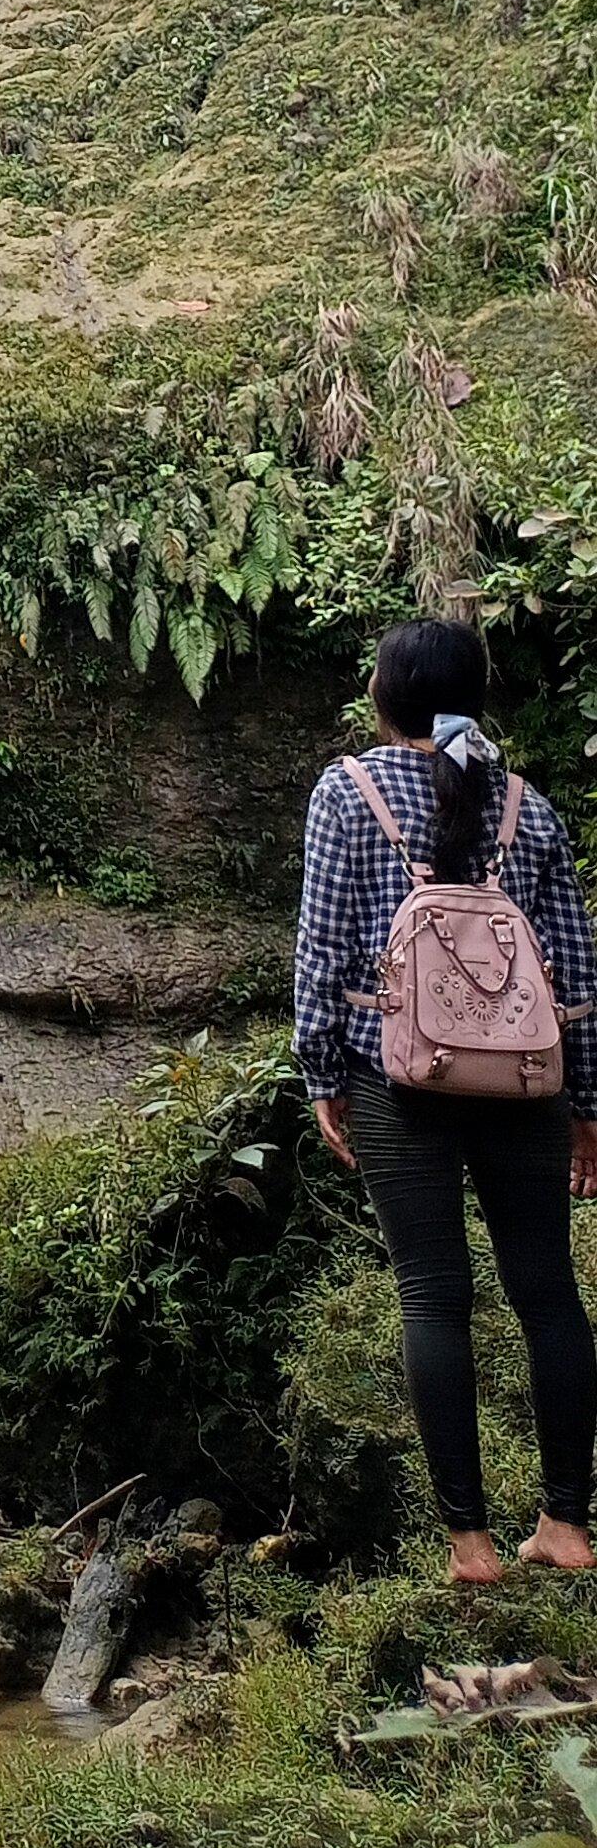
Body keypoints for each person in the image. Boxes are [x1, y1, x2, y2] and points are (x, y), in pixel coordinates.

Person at [296, 617, 597, 1585]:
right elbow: (576, 974)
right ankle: (566, 1525)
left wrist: (321, 1075)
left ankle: (470, 1544)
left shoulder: (347, 794)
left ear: (384, 698)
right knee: (548, 1291)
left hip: (399, 1076)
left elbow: (323, 946)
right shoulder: (528, 807)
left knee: (435, 1293)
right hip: (522, 1083)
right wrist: (586, 1099)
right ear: (473, 697)